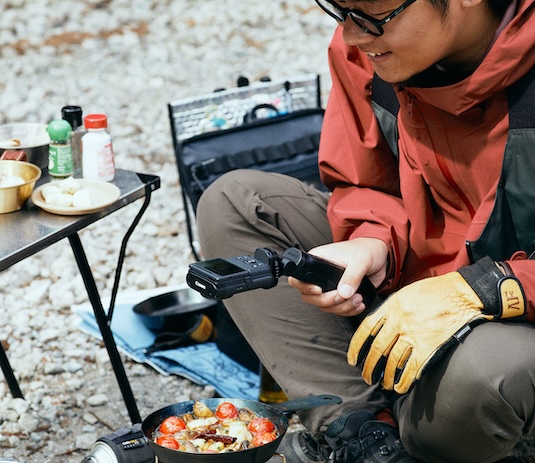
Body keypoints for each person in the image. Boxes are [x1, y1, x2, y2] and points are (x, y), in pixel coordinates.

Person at [195, 0, 535, 460]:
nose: (353, 36)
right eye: (340, 12)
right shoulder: (372, 52)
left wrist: (481, 289)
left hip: (514, 315)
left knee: (486, 375)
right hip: (410, 282)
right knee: (237, 204)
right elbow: (362, 180)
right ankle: (362, 435)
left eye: (372, 17)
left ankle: (464, 430)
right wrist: (371, 241)